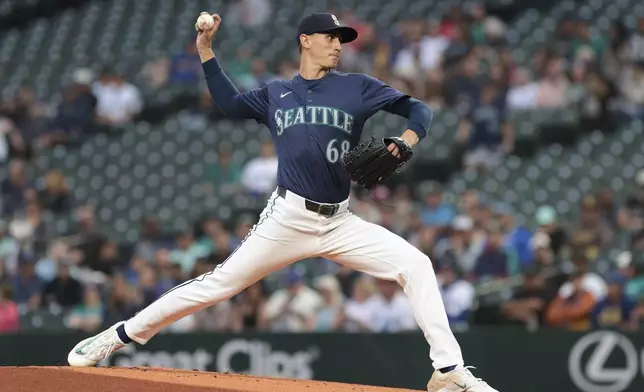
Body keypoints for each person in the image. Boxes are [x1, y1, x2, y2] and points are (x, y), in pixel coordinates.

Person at [66, 12, 498, 392]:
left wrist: (406, 140)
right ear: (305, 40)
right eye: (330, 37)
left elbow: (420, 109)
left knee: (416, 264)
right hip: (288, 217)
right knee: (217, 285)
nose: (338, 45)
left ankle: (448, 371)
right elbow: (231, 104)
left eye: (341, 40)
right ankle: (118, 336)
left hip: (340, 222)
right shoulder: (277, 93)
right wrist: (206, 50)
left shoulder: (357, 88)